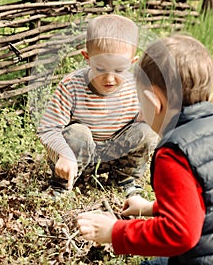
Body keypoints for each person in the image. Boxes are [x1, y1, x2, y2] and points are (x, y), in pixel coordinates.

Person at [77, 34, 213, 265]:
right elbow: (209, 199)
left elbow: (180, 233)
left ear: (155, 102)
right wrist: (150, 208)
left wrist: (115, 231)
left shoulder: (175, 154)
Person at [37, 14, 156, 196]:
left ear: (132, 63)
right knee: (79, 133)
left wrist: (147, 116)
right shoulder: (72, 86)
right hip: (76, 156)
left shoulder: (136, 86)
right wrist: (63, 153)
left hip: (115, 154)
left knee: (147, 131)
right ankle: (62, 184)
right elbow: (48, 129)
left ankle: (123, 178)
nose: (109, 78)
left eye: (119, 70)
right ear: (87, 57)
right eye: (100, 69)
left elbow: (142, 125)